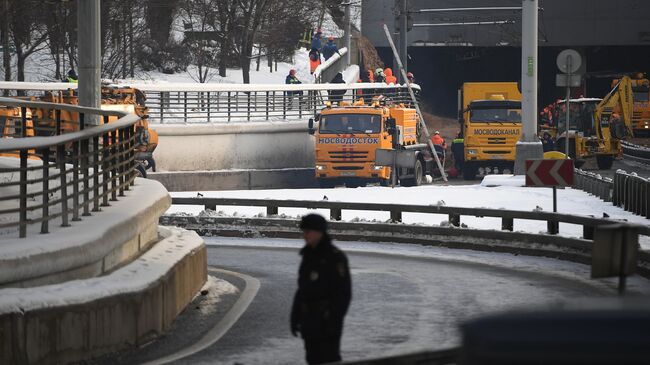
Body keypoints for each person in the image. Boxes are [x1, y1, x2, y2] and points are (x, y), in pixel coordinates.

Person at [291, 214, 352, 365]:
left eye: (308, 231)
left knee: (328, 358)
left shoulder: (335, 257)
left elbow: (343, 294)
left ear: (320, 232)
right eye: (304, 231)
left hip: (326, 320)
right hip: (309, 320)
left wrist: (333, 320)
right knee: (312, 358)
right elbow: (302, 289)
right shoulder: (308, 255)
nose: (305, 235)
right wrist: (295, 315)